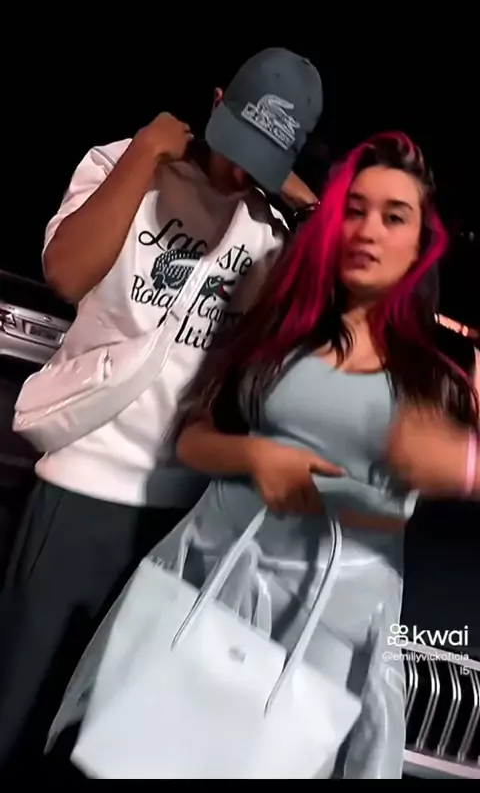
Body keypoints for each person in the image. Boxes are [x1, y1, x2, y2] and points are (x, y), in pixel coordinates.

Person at [45, 131, 479, 778]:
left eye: (394, 217)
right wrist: (257, 457)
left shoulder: (444, 377)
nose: (368, 231)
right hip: (212, 582)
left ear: (421, 243)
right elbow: (194, 437)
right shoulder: (283, 328)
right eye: (354, 210)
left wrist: (462, 465)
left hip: (326, 629)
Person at [0, 48, 324, 773]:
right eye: (238, 145)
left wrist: (308, 207)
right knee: (16, 712)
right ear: (217, 101)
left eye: (263, 160)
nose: (239, 172)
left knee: (103, 739)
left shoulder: (269, 229)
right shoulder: (124, 163)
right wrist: (147, 151)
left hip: (178, 520)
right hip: (80, 487)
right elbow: (66, 273)